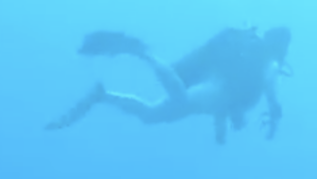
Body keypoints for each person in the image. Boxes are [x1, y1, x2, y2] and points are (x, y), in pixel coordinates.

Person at [46, 27, 292, 143]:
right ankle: (143, 53)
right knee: (181, 98)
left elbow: (223, 116)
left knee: (151, 116)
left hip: (216, 88)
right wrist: (274, 119)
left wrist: (221, 136)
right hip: (218, 88)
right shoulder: (269, 63)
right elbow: (271, 92)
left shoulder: (230, 107)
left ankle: (102, 95)